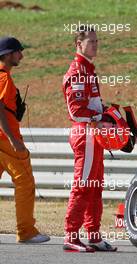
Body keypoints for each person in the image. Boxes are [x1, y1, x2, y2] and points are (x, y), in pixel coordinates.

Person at [62, 26, 117, 252]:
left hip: (95, 134)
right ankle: (71, 236)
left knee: (95, 187)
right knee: (83, 186)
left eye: (97, 40)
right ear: (79, 44)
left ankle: (93, 235)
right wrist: (100, 117)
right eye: (91, 41)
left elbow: (92, 105)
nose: (96, 44)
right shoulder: (77, 71)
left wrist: (110, 113)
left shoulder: (89, 71)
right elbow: (75, 111)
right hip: (85, 133)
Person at [0, 36, 50, 243]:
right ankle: (26, 231)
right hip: (5, 139)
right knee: (25, 183)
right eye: (18, 51)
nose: (21, 54)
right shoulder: (3, 78)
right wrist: (13, 139)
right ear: (8, 54)